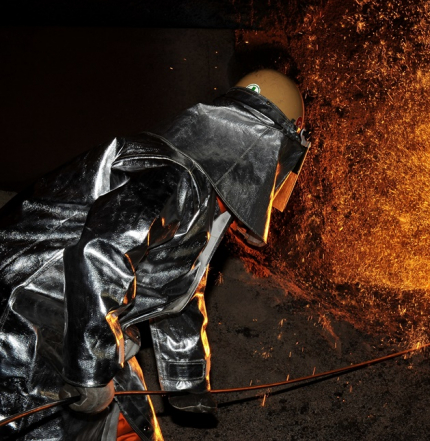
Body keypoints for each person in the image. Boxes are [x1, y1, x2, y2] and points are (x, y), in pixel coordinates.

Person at [0, 69, 309, 440]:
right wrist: (88, 370)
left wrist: (187, 380)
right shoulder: (172, 175)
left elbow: (172, 288)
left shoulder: (202, 196)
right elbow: (100, 257)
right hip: (24, 323)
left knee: (129, 426)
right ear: (268, 150)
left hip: (80, 325)